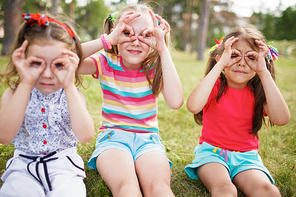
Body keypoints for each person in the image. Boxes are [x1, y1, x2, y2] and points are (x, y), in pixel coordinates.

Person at [79, 3, 183, 197]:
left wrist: (162, 49)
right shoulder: (105, 63)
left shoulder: (154, 68)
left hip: (149, 141)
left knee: (159, 188)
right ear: (116, 33)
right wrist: (107, 40)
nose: (136, 41)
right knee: (127, 188)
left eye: (145, 35)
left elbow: (176, 102)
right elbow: (66, 60)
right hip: (113, 139)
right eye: (127, 33)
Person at [184, 25, 290, 197]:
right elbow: (193, 106)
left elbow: (282, 119)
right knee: (225, 190)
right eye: (234, 55)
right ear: (221, 58)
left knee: (268, 191)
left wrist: (263, 71)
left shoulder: (259, 92)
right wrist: (219, 66)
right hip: (212, 154)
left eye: (250, 57)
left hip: (247, 158)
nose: (241, 62)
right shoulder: (215, 86)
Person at [0, 13, 94, 197]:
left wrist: (68, 85)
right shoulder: (12, 94)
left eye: (58, 65)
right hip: (23, 167)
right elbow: (3, 137)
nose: (48, 74)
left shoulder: (73, 95)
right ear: (21, 58)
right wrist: (26, 83)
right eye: (37, 63)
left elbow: (85, 135)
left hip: (64, 167)